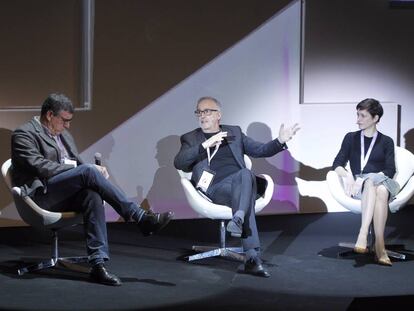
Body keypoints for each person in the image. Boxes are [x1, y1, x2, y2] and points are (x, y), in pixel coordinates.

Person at [11, 93, 174, 286]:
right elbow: (40, 167)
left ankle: (98, 265)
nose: (68, 126)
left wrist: (92, 173)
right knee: (88, 170)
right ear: (49, 115)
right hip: (42, 196)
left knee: (92, 195)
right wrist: (85, 170)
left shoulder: (64, 135)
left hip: (64, 193)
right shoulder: (23, 134)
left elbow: (76, 166)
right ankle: (139, 216)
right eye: (64, 121)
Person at [174, 96, 299, 277]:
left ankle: (238, 219)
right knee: (245, 193)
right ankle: (251, 256)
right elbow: (179, 163)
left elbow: (260, 150)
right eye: (199, 112)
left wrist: (279, 141)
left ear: (219, 115)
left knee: (245, 175)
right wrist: (204, 145)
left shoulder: (235, 132)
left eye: (207, 111)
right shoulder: (191, 138)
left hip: (241, 183)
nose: (202, 116)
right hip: (215, 189)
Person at [332, 98, 400, 266]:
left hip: (381, 183)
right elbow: (337, 164)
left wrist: (368, 177)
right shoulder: (351, 138)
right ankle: (380, 247)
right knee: (377, 189)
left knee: (378, 186)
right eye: (358, 115)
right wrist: (348, 175)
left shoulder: (386, 141)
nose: (358, 120)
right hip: (361, 188)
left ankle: (363, 234)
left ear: (375, 118)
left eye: (363, 116)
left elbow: (390, 170)